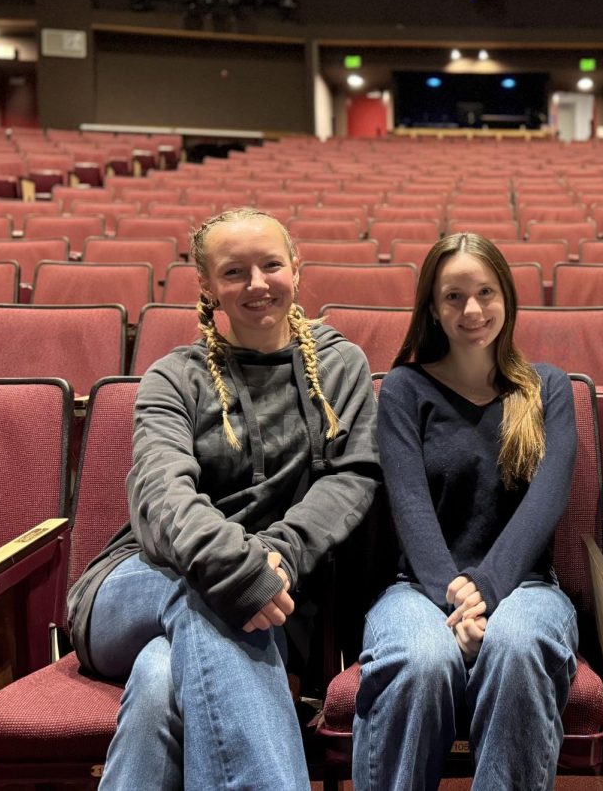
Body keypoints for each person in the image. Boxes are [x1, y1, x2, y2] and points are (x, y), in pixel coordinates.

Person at [67, 207, 381, 790]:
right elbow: (163, 494)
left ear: (296, 270)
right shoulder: (172, 378)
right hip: (139, 582)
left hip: (273, 593)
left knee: (163, 677)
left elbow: (351, 480)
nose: (257, 285)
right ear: (207, 287)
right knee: (213, 600)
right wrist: (238, 571)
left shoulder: (340, 366)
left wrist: (277, 558)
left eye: (270, 265)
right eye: (235, 272)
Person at [352, 232, 579, 791]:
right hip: (420, 587)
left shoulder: (548, 387)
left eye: (485, 292)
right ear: (432, 306)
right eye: (453, 296)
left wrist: (486, 587)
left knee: (519, 645)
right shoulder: (404, 387)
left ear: (507, 297)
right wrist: (456, 594)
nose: (471, 310)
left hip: (524, 585)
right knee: (420, 661)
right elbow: (409, 504)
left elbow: (546, 499)